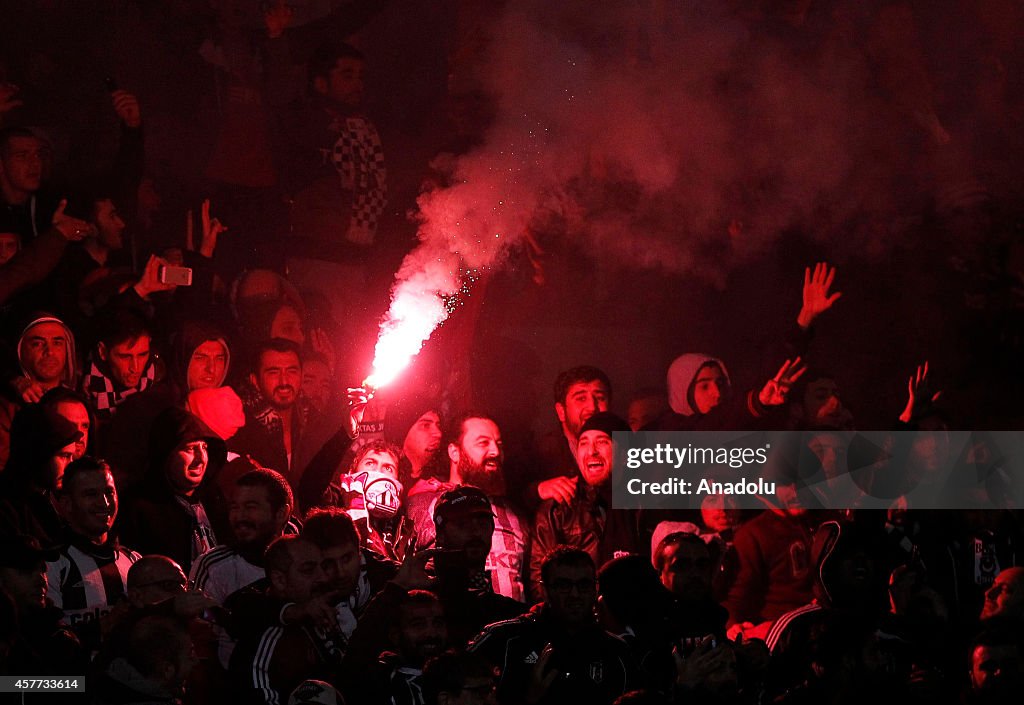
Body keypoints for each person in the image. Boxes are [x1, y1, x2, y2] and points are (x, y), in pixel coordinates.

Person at [469, 546, 640, 705]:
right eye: (563, 585)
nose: (575, 594)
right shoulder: (504, 640)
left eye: (583, 585)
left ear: (596, 588)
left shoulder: (617, 653)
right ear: (545, 589)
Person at [408, 413, 528, 602]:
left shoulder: (515, 515)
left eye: (499, 444)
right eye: (483, 443)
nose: (495, 451)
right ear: (454, 452)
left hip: (510, 626)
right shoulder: (423, 506)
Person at [190, 467, 295, 667]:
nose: (239, 517)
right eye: (235, 507)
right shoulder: (213, 566)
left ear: (282, 513)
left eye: (251, 507)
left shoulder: (309, 560)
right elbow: (200, 639)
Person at [530, 412, 639, 598]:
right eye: (584, 443)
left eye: (602, 441)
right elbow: (540, 583)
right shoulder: (557, 509)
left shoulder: (644, 506)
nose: (591, 451)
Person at [228, 535, 341, 705]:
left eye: (323, 567)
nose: (323, 577)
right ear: (279, 580)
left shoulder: (318, 614)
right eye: (308, 570)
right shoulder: (267, 637)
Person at [117, 407, 228, 574]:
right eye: (190, 449)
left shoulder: (214, 498)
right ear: (166, 454)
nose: (201, 459)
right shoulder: (139, 507)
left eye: (204, 448)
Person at [47, 457, 140, 652]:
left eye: (109, 492)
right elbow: (45, 643)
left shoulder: (133, 561)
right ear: (67, 504)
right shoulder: (52, 564)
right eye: (91, 494)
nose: (104, 503)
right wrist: (108, 623)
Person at [0, 534, 86, 676]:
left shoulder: (56, 634)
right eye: (26, 570)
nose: (41, 580)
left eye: (43, 570)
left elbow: (75, 687)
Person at [0, 313, 77, 468]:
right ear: (21, 352)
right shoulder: (8, 408)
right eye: (37, 344)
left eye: (57, 343)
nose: (49, 351)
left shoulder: (79, 398)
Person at [0, 403, 81, 544]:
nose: (71, 465)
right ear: (39, 453)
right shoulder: (7, 509)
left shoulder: (54, 498)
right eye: (64, 456)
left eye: (72, 457)